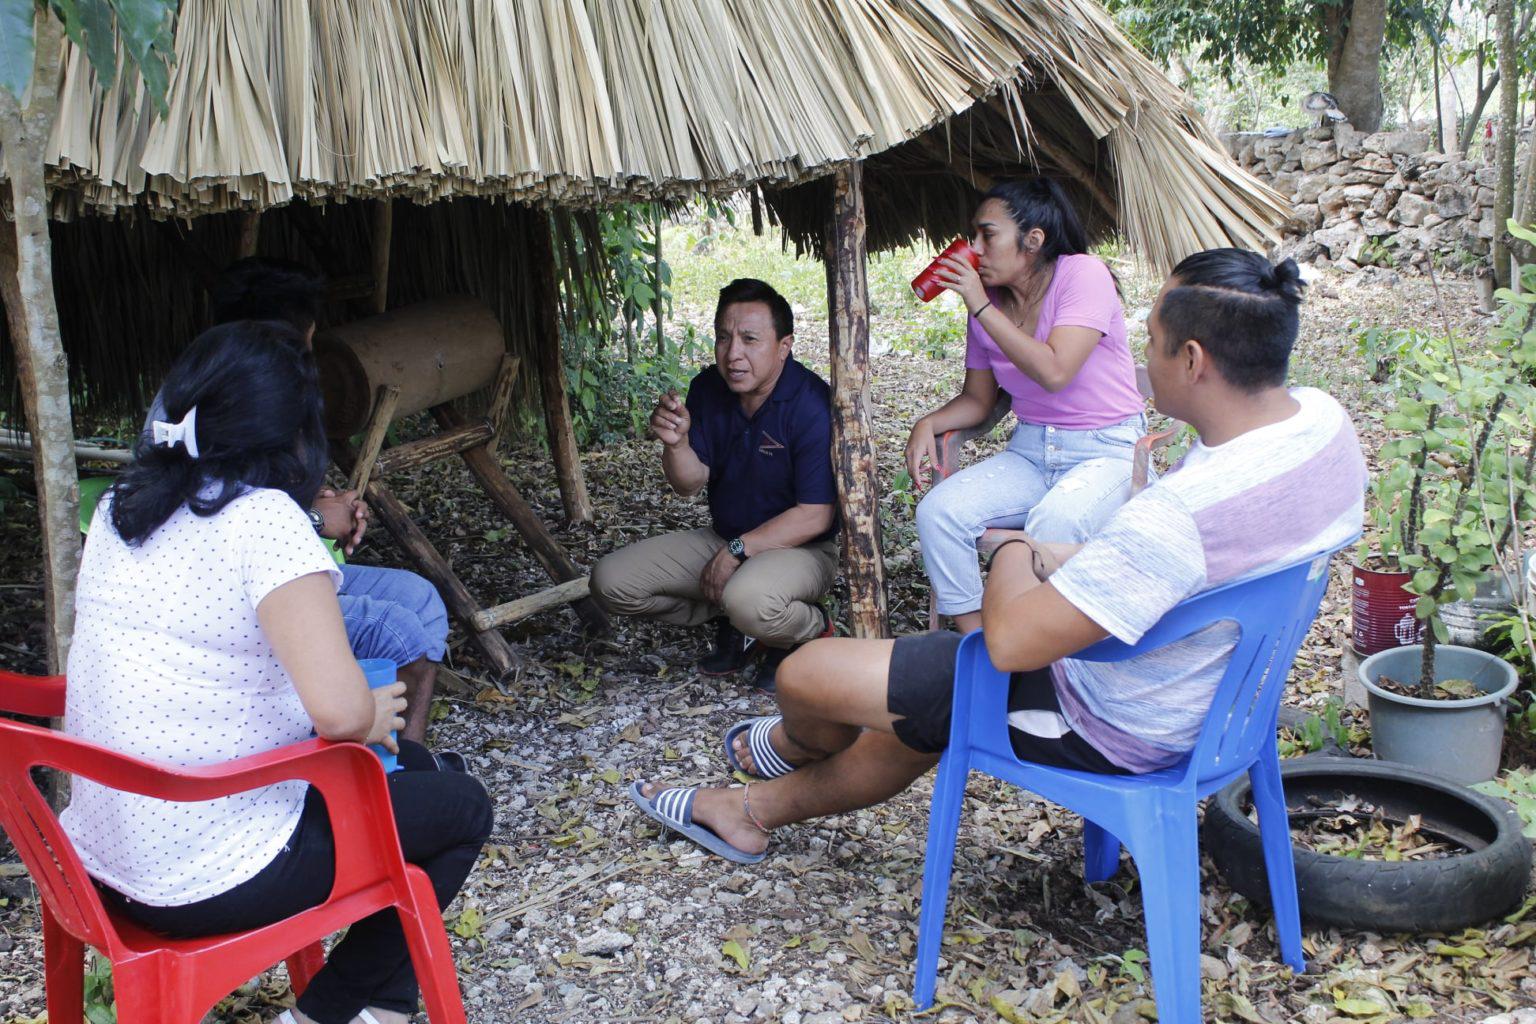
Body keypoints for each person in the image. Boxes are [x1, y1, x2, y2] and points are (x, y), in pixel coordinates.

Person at [628, 249, 1366, 863]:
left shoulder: (1180, 515)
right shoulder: (1325, 427)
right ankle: (751, 805)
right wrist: (1068, 555)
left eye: (1149, 339)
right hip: (1215, 704)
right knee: (926, 701)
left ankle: (782, 753)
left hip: (1110, 721)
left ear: (1195, 360)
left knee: (807, 673)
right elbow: (1172, 568)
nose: (1139, 351)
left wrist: (1013, 549)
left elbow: (1007, 644)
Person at [65, 321, 493, 1024]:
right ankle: (330, 1013)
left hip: (97, 863)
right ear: (294, 432)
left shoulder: (121, 510)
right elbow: (340, 716)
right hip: (205, 875)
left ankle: (374, 1006)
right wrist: (374, 708)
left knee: (415, 769)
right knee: (463, 808)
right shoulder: (262, 520)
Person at [146, 258, 450, 747]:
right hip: (227, 598)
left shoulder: (238, 385)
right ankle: (364, 773)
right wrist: (312, 518)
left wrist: (323, 504)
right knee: (397, 631)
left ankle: (407, 762)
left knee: (422, 601)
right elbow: (219, 526)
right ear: (295, 336)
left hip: (262, 570)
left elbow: (255, 496)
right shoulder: (210, 399)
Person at [907, 180, 1147, 634]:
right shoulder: (991, 305)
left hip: (1108, 451)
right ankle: (981, 643)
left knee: (1054, 521)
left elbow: (1055, 371)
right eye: (973, 237)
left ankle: (1042, 649)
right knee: (939, 513)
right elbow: (979, 400)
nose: (975, 249)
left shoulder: (1083, 275)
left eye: (987, 236)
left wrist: (978, 305)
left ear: (1033, 241)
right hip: (1032, 452)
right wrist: (929, 422)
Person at [589, 278, 838, 691]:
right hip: (723, 538)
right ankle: (737, 620)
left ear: (784, 345)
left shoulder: (811, 404)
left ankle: (809, 628)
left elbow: (816, 515)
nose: (733, 354)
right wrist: (677, 443)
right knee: (611, 582)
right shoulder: (708, 387)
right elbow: (689, 483)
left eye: (750, 339)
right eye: (724, 337)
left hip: (802, 550)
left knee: (751, 600)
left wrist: (735, 553)